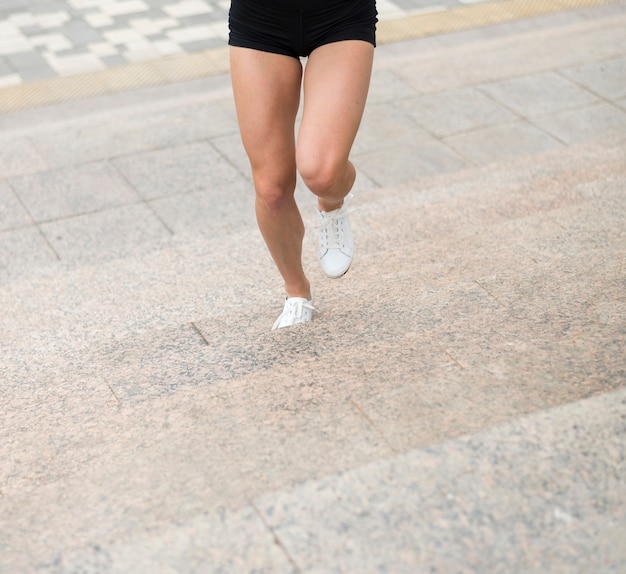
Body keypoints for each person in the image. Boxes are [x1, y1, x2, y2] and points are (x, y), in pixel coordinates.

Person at [228, 0, 377, 329]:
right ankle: (297, 293)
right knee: (271, 188)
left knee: (322, 174)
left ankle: (332, 202)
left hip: (339, 15)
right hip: (260, 18)